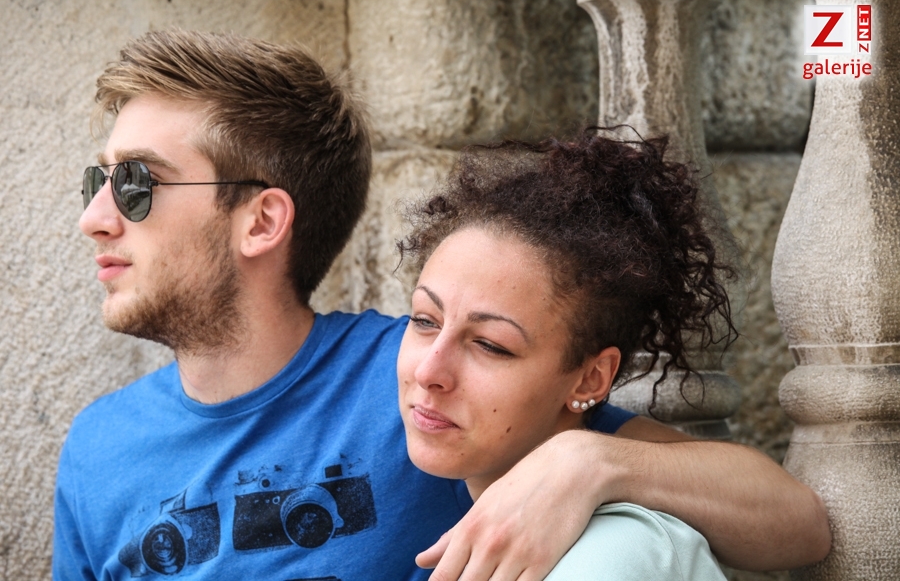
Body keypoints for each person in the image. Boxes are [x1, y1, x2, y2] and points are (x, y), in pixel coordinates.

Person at [54, 29, 829, 581]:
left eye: (137, 183)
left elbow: (795, 522)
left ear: (262, 221)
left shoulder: (425, 388)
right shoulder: (98, 450)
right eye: (100, 181)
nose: (95, 217)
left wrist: (591, 459)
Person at [396, 129, 734, 579]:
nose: (428, 371)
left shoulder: (617, 556)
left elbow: (803, 520)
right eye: (424, 320)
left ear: (590, 379)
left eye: (491, 345)